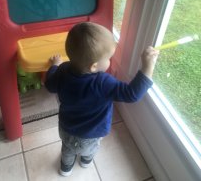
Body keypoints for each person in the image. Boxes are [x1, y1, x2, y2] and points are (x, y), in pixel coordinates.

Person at [45, 22, 159, 177]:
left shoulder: (63, 69)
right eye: (109, 58)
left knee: (68, 148)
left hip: (66, 128)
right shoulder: (104, 82)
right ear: (94, 66)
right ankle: (86, 161)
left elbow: (50, 85)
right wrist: (147, 67)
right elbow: (131, 94)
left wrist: (55, 66)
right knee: (89, 149)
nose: (110, 61)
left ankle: (65, 169)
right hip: (91, 134)